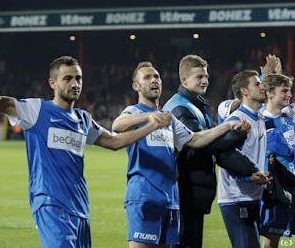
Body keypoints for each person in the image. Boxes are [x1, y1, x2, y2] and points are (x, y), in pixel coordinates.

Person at [0, 56, 173, 248]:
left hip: (79, 208)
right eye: (68, 78)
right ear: (52, 83)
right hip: (50, 203)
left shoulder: (82, 119)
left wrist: (151, 126)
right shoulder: (36, 110)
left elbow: (113, 141)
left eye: (78, 79)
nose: (75, 84)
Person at [111, 62, 270, 248]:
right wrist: (147, 118)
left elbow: (196, 140)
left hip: (170, 198)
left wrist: (227, 126)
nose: (154, 80)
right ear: (136, 86)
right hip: (144, 196)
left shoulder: (167, 117)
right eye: (147, 77)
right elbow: (117, 125)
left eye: (156, 76)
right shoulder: (135, 111)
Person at [162, 54, 268, 248]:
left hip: (193, 189)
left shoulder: (196, 106)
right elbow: (204, 144)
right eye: (199, 77)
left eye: (206, 76)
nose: (205, 81)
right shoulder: (179, 108)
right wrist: (235, 134)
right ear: (183, 79)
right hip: (182, 189)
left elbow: (217, 150)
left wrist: (249, 170)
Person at [217, 70, 270, 248]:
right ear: (244, 91)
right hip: (236, 199)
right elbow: (224, 156)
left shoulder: (260, 118)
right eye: (257, 84)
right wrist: (248, 175)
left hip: (253, 196)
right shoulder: (236, 120)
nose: (262, 86)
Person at [259, 74, 295, 248]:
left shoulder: (288, 117)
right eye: (285, 91)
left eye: (289, 90)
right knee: (271, 242)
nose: (289, 94)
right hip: (277, 189)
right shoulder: (262, 122)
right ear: (270, 93)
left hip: (292, 185)